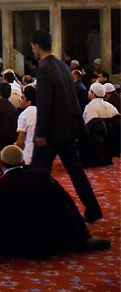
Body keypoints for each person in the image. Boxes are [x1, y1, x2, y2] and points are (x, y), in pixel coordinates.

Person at [0, 145, 110, 265]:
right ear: (23, 162)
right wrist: (84, 235)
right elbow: (68, 202)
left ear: (1, 163)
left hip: (21, 246)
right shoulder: (43, 176)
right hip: (54, 240)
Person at [30, 28, 102, 224]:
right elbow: (72, 99)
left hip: (52, 132)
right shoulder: (62, 65)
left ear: (36, 46)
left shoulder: (44, 69)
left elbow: (45, 103)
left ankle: (35, 212)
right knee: (75, 171)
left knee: (37, 172)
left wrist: (41, 133)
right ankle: (93, 209)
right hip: (68, 129)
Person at [15, 85, 37, 165]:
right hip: (41, 156)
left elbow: (20, 143)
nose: (20, 100)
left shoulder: (24, 115)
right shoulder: (42, 112)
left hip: (27, 158)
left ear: (29, 102)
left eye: (22, 98)